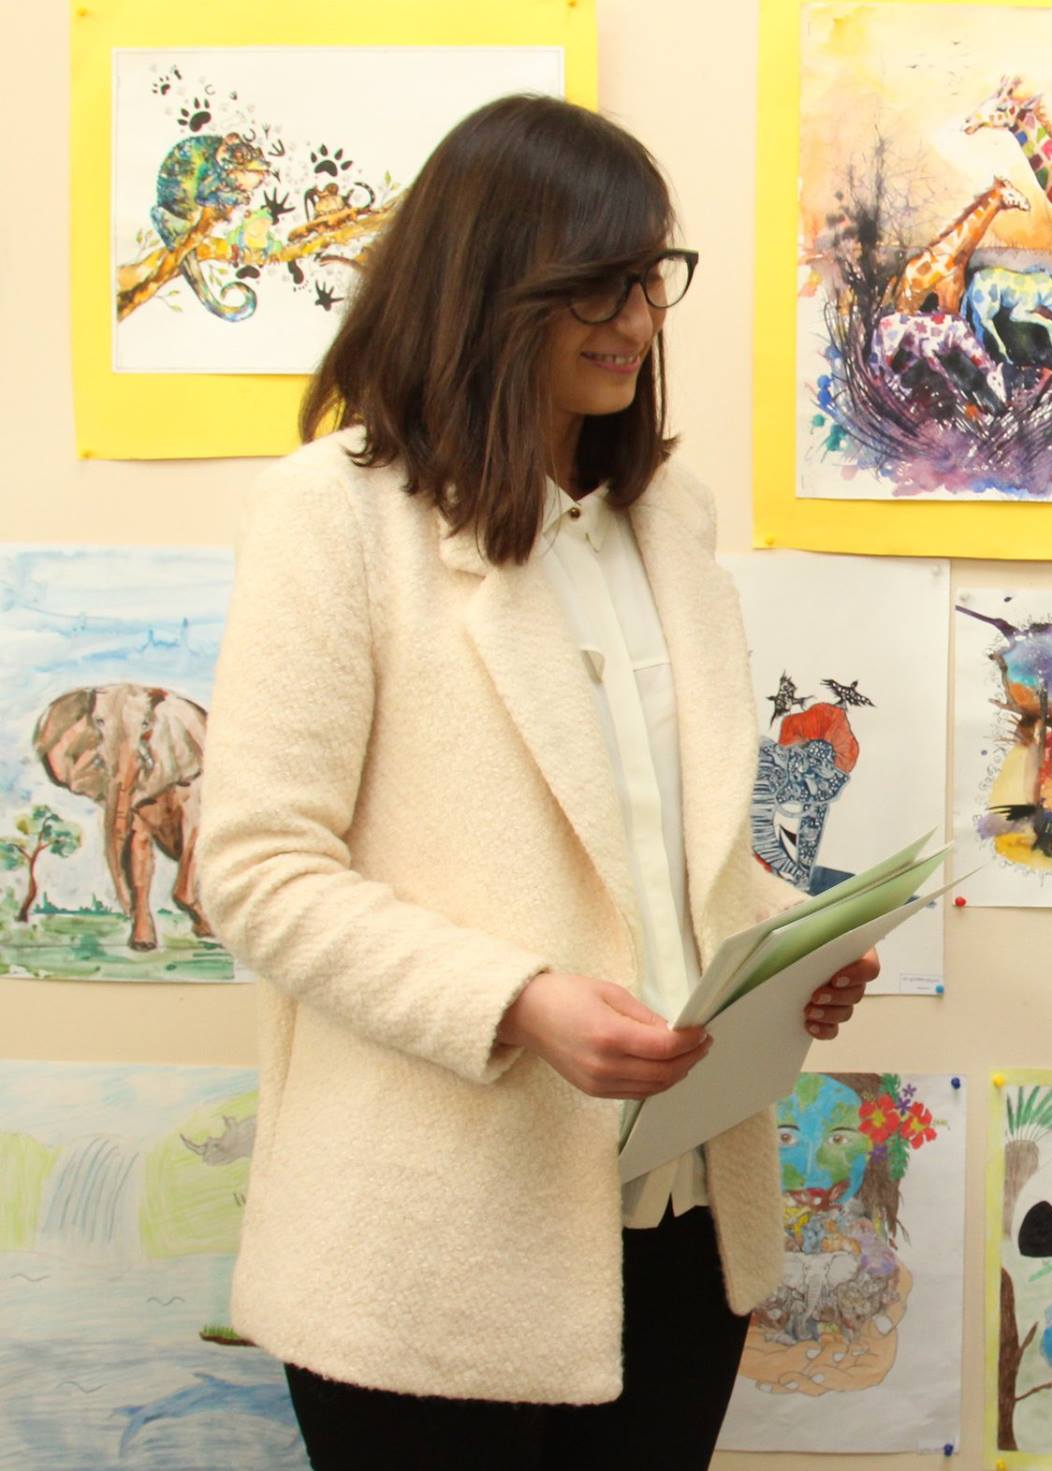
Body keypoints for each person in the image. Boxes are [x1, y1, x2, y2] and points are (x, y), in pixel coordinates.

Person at [196, 96, 878, 1469]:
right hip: (434, 1251)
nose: (637, 318)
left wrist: (779, 948)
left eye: (651, 277)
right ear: (485, 283)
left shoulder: (663, 518)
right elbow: (258, 871)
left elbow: (659, 845)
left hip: (683, 1221)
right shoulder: (334, 512)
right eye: (595, 284)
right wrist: (516, 1000)